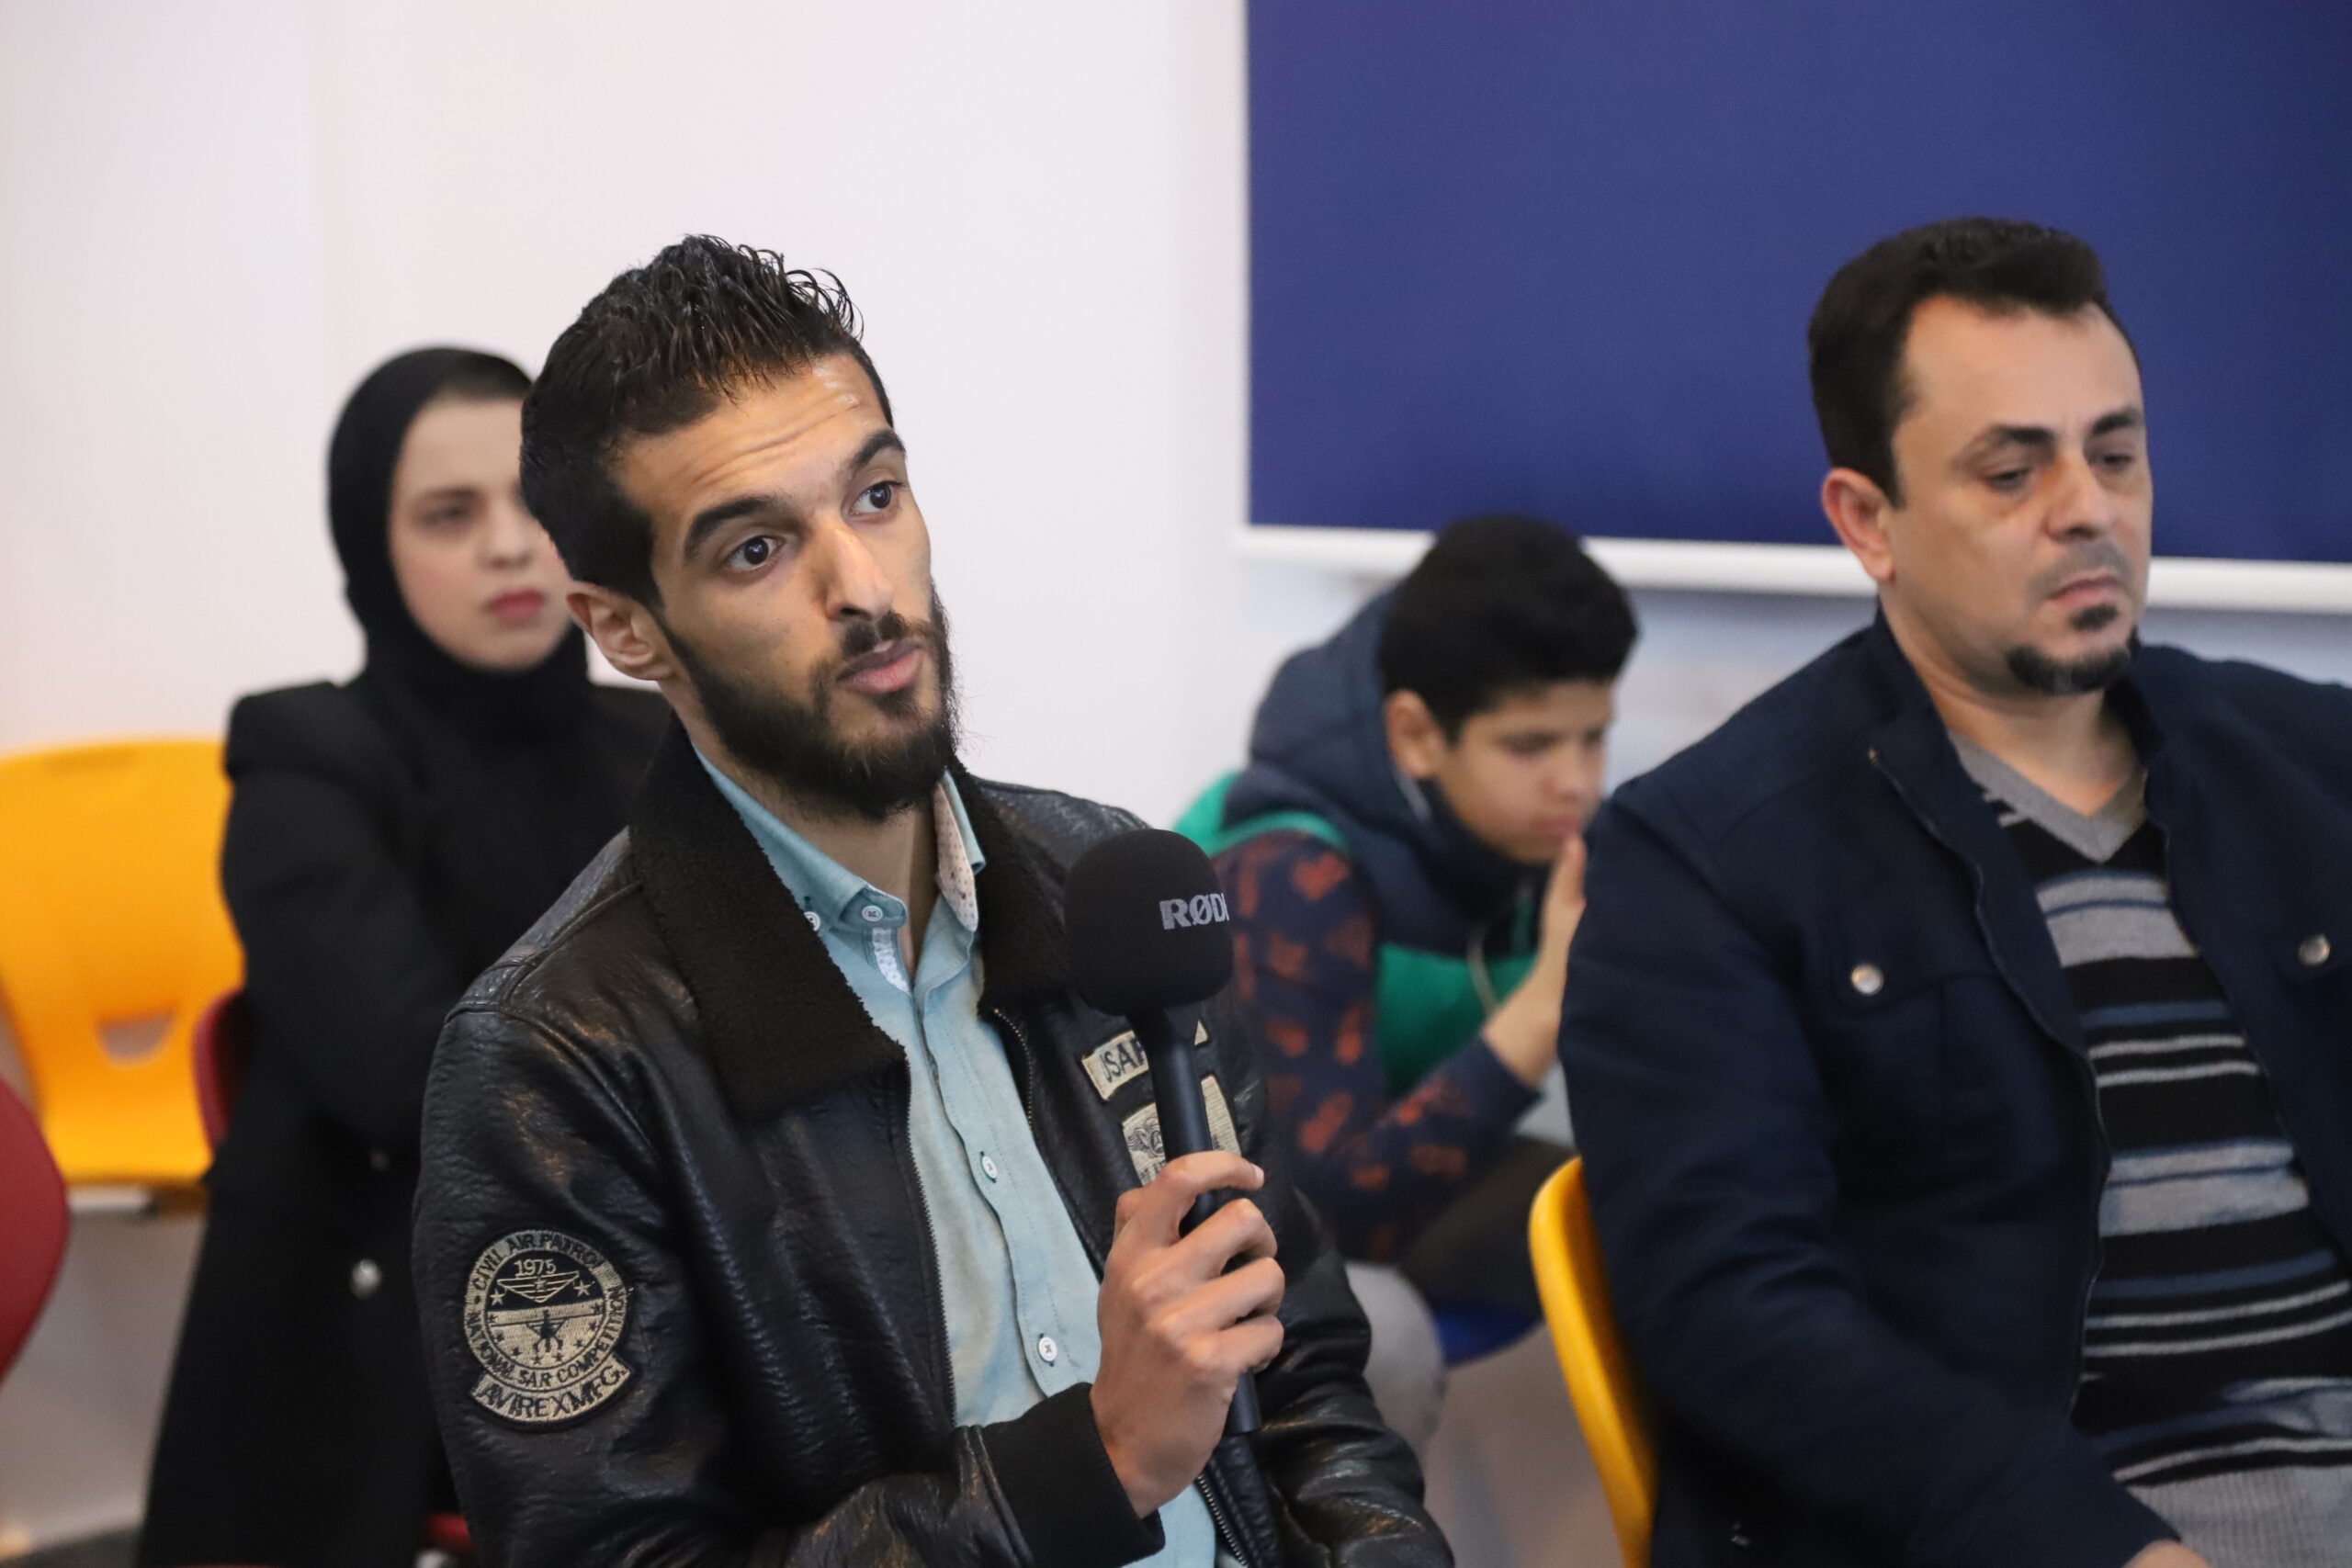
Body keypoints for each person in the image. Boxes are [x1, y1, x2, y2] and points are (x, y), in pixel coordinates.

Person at [408, 237, 1447, 1568]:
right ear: (625, 629)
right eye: (756, 549)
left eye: (877, 495)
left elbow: (1307, 1386)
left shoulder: (1107, 886)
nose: (864, 588)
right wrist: (1096, 1464)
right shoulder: (557, 1059)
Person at [1558, 215, 2352, 1568]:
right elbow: (1734, 1313)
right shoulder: (1706, 856)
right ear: (1867, 520)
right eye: (2012, 470)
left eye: (2115, 453)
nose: (2088, 509)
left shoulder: (2315, 769)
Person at [140, 349, 666, 1568]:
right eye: (448, 514)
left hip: (658, 1253)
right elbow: (411, 1077)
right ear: (369, 546)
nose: (509, 547)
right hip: (406, 1300)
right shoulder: (304, 758)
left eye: (533, 502)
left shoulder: (656, 737)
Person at [1182, 516, 1633, 1445]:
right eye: (1531, 745)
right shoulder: (1291, 873)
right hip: (1215, 1224)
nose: (1577, 784)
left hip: (1364, 1173)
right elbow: (1324, 1217)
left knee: (1667, 1208)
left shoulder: (1533, 831)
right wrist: (1543, 1009)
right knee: (1381, 1336)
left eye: (1593, 738)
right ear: (1416, 734)